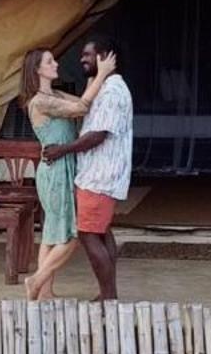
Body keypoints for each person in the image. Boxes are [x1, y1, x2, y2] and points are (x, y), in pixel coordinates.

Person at [17, 46, 117, 300]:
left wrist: (95, 75)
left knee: (52, 233)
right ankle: (37, 281)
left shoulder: (55, 95)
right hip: (56, 172)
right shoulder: (40, 101)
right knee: (73, 232)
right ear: (38, 69)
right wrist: (103, 73)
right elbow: (82, 107)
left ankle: (44, 292)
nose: (56, 64)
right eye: (50, 62)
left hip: (60, 168)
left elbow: (85, 100)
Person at [40, 36, 132, 301]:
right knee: (101, 232)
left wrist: (61, 150)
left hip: (99, 176)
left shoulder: (113, 91)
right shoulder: (104, 86)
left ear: (105, 57)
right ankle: (108, 292)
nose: (82, 59)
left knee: (89, 234)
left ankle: (108, 295)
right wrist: (96, 78)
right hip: (96, 174)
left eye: (88, 55)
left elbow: (97, 136)